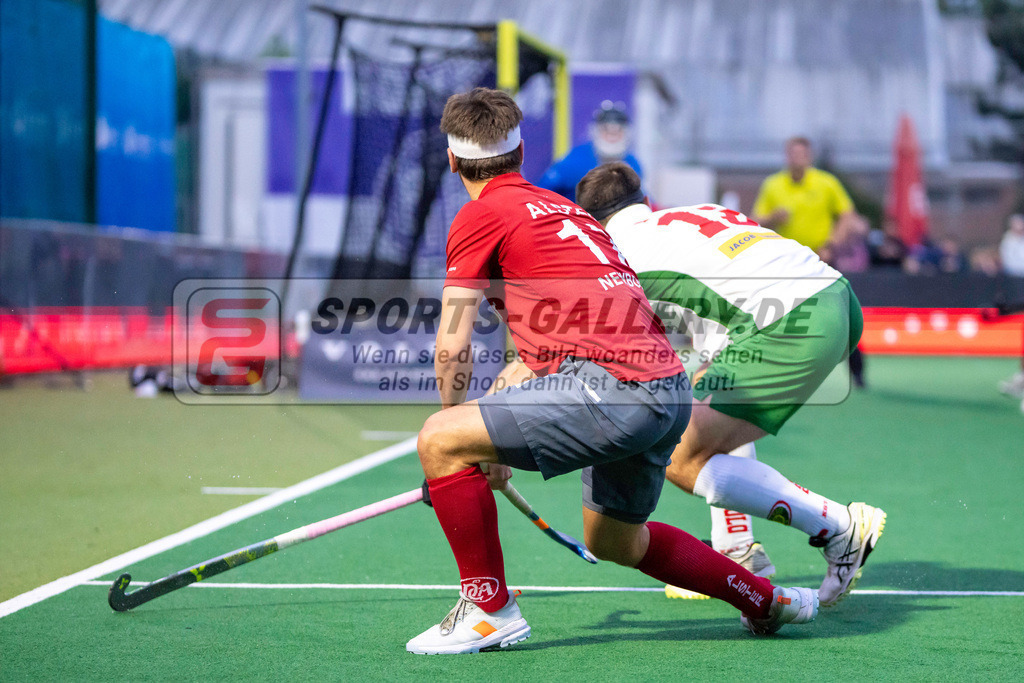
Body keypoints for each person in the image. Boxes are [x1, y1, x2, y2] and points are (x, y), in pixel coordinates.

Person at [407, 88, 818, 655]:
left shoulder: (481, 216)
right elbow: (567, 337)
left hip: (612, 388)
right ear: (521, 150)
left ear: (451, 160)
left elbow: (453, 345)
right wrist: (488, 441)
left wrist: (462, 439)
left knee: (437, 439)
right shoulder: (570, 215)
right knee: (617, 539)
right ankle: (764, 599)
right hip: (667, 388)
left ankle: (488, 610)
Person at [575, 161, 886, 608]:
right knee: (706, 413)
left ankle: (837, 527)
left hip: (789, 322)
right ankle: (738, 551)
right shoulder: (690, 215)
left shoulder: (618, 260)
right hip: (837, 297)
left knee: (678, 454)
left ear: (593, 226)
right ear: (644, 202)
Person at [753, 136, 857, 256]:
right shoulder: (772, 184)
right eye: (794, 154)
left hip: (819, 255)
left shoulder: (827, 182)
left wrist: (831, 245)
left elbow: (846, 214)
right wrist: (772, 217)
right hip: (786, 256)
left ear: (810, 156)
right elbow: (755, 220)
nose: (797, 158)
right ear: (787, 156)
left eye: (801, 154)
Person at [536, 100, 643, 202]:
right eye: (606, 129)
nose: (612, 135)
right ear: (595, 131)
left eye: (618, 130)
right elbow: (541, 193)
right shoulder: (574, 162)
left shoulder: (633, 165)